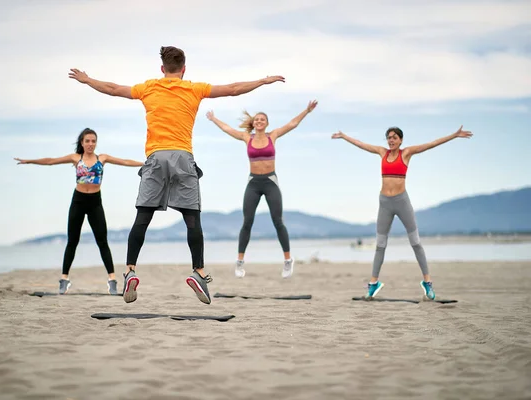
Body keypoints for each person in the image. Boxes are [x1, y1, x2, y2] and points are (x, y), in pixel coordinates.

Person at [68, 46, 285, 305]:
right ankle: (199, 272)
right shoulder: (194, 88)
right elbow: (234, 88)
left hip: (155, 158)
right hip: (182, 157)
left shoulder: (148, 88)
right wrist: (263, 80)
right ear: (184, 69)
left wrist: (88, 80)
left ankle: (130, 271)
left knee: (143, 217)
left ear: (162, 69)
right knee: (192, 218)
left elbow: (114, 89)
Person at [331, 125, 473, 300]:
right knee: (380, 245)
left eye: (394, 137)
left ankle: (427, 282)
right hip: (384, 203)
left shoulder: (406, 153)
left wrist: (454, 135)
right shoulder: (382, 153)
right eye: (388, 137)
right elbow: (362, 144)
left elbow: (431, 144)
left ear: (401, 140)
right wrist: (345, 136)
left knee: (415, 242)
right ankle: (373, 283)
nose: (391, 140)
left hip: (402, 202)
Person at [14, 128, 143, 295]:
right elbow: (51, 161)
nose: (90, 144)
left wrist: (144, 163)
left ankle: (112, 279)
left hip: (95, 202)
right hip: (78, 201)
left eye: (93, 141)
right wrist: (30, 161)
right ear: (82, 143)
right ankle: (64, 279)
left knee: (102, 241)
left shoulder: (102, 158)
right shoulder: (76, 158)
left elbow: (125, 162)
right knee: (72, 241)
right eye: (87, 141)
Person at [205, 100, 318, 278]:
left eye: (262, 120)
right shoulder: (246, 137)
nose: (259, 122)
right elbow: (228, 129)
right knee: (247, 222)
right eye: (257, 119)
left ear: (266, 123)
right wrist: (214, 119)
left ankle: (288, 260)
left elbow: (292, 124)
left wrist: (307, 111)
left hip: (270, 181)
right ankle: (240, 261)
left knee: (278, 221)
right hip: (253, 183)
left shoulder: (272, 136)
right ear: (253, 123)